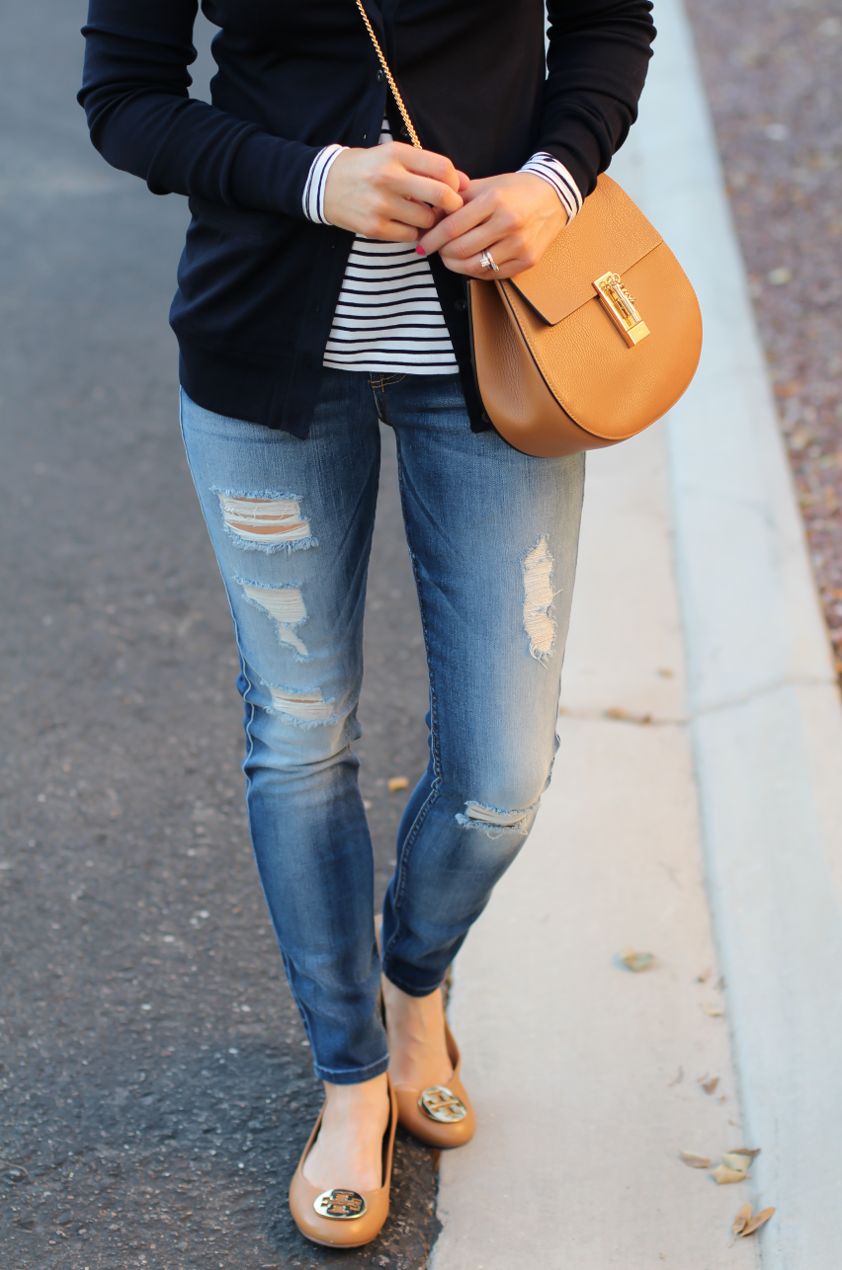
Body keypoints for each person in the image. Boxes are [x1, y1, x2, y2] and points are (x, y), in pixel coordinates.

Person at [79, 0, 655, 1248]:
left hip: (502, 349)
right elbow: (124, 98)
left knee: (501, 774)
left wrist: (554, 182)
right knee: (297, 734)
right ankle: (350, 1078)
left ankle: (414, 983)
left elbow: (610, 25)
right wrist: (315, 179)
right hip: (261, 355)